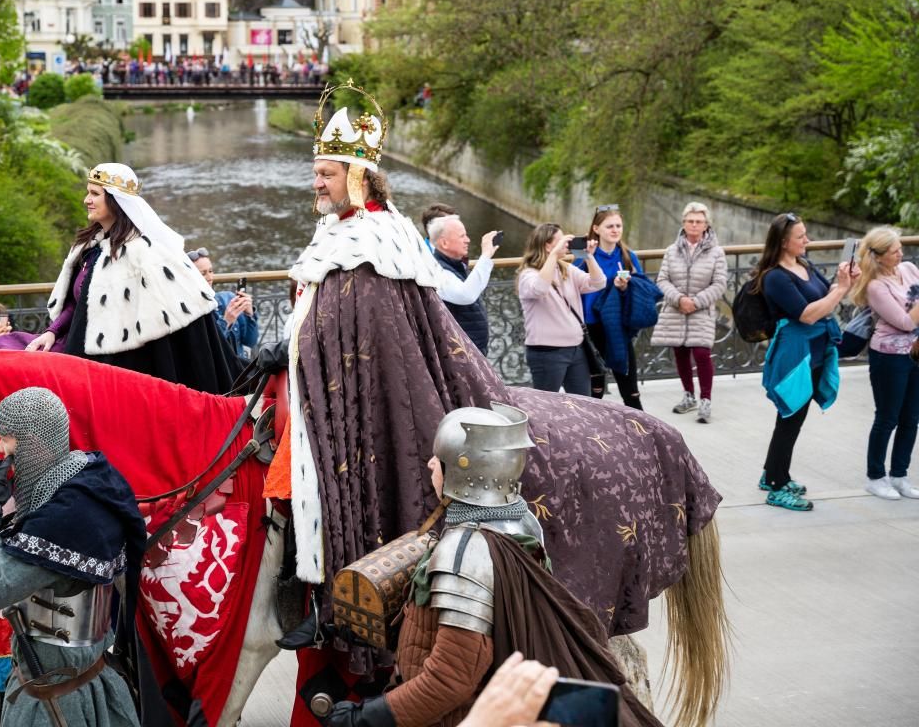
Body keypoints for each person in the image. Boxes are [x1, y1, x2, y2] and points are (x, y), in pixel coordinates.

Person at [279, 81, 722, 727]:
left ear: (358, 176)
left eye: (326, 172)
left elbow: (448, 677)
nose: (317, 183)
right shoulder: (344, 243)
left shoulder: (377, 246)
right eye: (316, 171)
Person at [325, 405, 659, 727]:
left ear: (463, 471)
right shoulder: (521, 520)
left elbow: (450, 679)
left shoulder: (465, 551)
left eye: (439, 460)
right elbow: (476, 623)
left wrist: (369, 718)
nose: (429, 465)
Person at [0, 387, 146, 727]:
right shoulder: (89, 481)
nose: (1, 452)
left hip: (56, 704)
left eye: (6, 441)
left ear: (33, 441)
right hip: (96, 684)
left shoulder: (63, 520)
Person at [1, 163, 235, 394]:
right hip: (75, 348)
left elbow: (169, 332)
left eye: (94, 194)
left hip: (116, 372)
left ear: (116, 200)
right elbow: (77, 304)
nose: (86, 200)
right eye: (88, 192)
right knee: (3, 349)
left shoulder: (144, 254)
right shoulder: (89, 247)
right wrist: (52, 332)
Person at [751, 213, 857, 511]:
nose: (807, 240)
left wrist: (844, 283)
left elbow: (828, 296)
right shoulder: (774, 277)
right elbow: (808, 313)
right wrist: (839, 290)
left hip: (816, 349)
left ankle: (774, 473)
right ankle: (775, 485)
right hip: (795, 355)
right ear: (784, 243)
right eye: (801, 236)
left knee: (792, 419)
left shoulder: (804, 266)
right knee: (790, 417)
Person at [850, 227, 919, 500]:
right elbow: (904, 322)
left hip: (916, 352)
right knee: (887, 416)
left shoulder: (909, 269)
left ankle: (899, 475)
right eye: (894, 251)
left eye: (900, 248)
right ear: (878, 257)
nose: (900, 253)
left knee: (912, 417)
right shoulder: (875, 286)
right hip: (889, 356)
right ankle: (875, 476)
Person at [650, 202, 729, 424]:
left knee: (702, 353)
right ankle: (688, 395)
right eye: (690, 221)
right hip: (676, 309)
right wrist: (679, 299)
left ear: (706, 225)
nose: (694, 225)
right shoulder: (671, 250)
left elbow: (720, 283)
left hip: (701, 310)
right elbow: (662, 279)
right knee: (681, 353)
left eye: (699, 221)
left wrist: (695, 301)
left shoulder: (716, 252)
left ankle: (705, 400)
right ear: (683, 224)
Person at [515, 223, 605, 395]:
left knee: (582, 404)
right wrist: (555, 255)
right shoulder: (528, 275)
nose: (567, 244)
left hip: (577, 349)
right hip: (547, 353)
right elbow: (540, 288)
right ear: (548, 245)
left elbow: (598, 283)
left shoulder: (565, 269)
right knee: (547, 407)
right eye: (561, 241)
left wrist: (588, 257)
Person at [576, 205, 645, 409]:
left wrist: (625, 287)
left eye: (618, 226)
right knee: (595, 387)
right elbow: (571, 285)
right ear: (596, 229)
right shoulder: (584, 256)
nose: (615, 230)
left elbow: (639, 287)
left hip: (617, 325)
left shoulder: (627, 256)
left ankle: (641, 432)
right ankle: (589, 430)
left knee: (628, 385)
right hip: (591, 326)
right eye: (610, 226)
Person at [428, 215, 499, 355]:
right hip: (458, 353)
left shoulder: (455, 264)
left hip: (469, 349)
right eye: (462, 236)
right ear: (444, 243)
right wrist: (485, 256)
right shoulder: (437, 270)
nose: (468, 240)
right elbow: (466, 295)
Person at [190, 247, 259, 360]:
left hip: (240, 371)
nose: (209, 277)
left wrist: (249, 315)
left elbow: (250, 342)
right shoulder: (190, 312)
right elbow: (205, 351)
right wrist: (226, 321)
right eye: (203, 273)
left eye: (210, 271)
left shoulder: (227, 299)